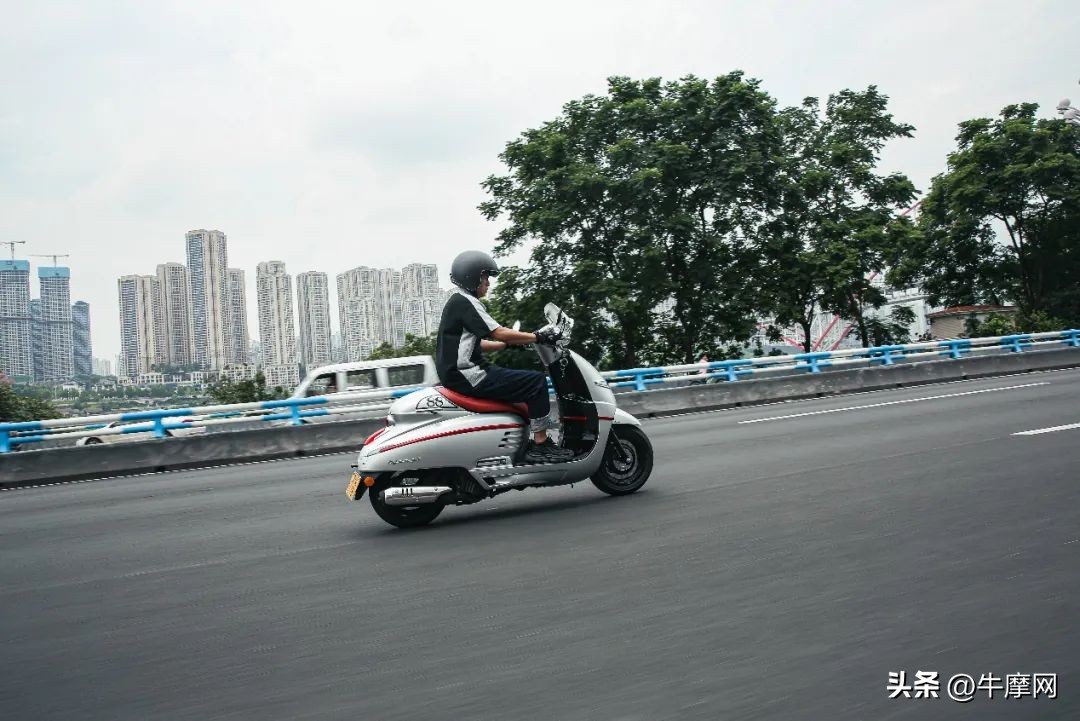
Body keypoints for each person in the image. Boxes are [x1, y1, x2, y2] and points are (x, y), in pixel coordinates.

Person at [436, 250, 574, 464]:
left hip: (457, 374)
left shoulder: (456, 301)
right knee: (536, 382)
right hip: (469, 375)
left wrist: (504, 345)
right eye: (485, 278)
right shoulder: (466, 302)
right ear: (472, 277)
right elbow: (499, 331)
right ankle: (540, 444)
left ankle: (522, 439)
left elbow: (472, 343)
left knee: (520, 381)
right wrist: (538, 336)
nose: (488, 283)